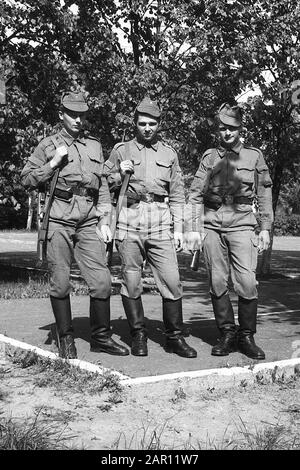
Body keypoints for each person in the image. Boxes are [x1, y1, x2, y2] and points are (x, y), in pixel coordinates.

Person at [21, 91, 129, 359]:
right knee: (60, 282)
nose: (78, 119)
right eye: (73, 114)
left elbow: (102, 184)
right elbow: (26, 179)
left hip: (89, 219)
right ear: (62, 115)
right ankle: (65, 338)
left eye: (82, 114)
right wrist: (53, 162)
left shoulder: (94, 145)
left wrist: (105, 218)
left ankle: (100, 337)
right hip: (58, 219)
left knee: (102, 280)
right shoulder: (47, 145)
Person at [104, 97, 197, 358]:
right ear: (135, 123)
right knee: (131, 280)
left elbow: (179, 192)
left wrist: (180, 228)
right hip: (129, 220)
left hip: (160, 221)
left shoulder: (169, 153)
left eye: (152, 124)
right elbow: (102, 183)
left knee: (172, 280)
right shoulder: (121, 150)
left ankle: (174, 338)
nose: (147, 128)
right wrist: (118, 174)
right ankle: (138, 336)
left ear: (159, 125)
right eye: (142, 123)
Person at [185, 103, 273, 360]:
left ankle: (246, 336)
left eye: (232, 128)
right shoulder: (209, 157)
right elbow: (194, 194)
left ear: (240, 128)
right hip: (212, 224)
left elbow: (264, 194)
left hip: (243, 223)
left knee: (246, 281)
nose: (227, 133)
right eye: (222, 128)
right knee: (217, 281)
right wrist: (193, 228)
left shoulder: (254, 156)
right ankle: (226, 333)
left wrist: (265, 228)